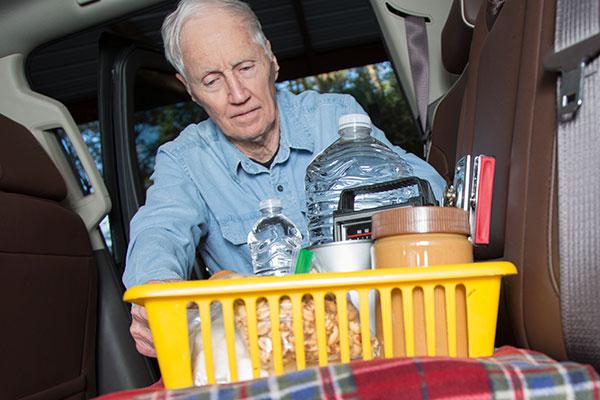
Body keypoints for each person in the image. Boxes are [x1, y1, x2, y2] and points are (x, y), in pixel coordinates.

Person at [124, 0, 446, 357]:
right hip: (266, 355)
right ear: (189, 89)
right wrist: (155, 292)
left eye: (245, 67)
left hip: (376, 337)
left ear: (271, 60)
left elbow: (425, 187)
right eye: (212, 80)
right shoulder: (183, 160)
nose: (238, 94)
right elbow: (159, 230)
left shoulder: (335, 117)